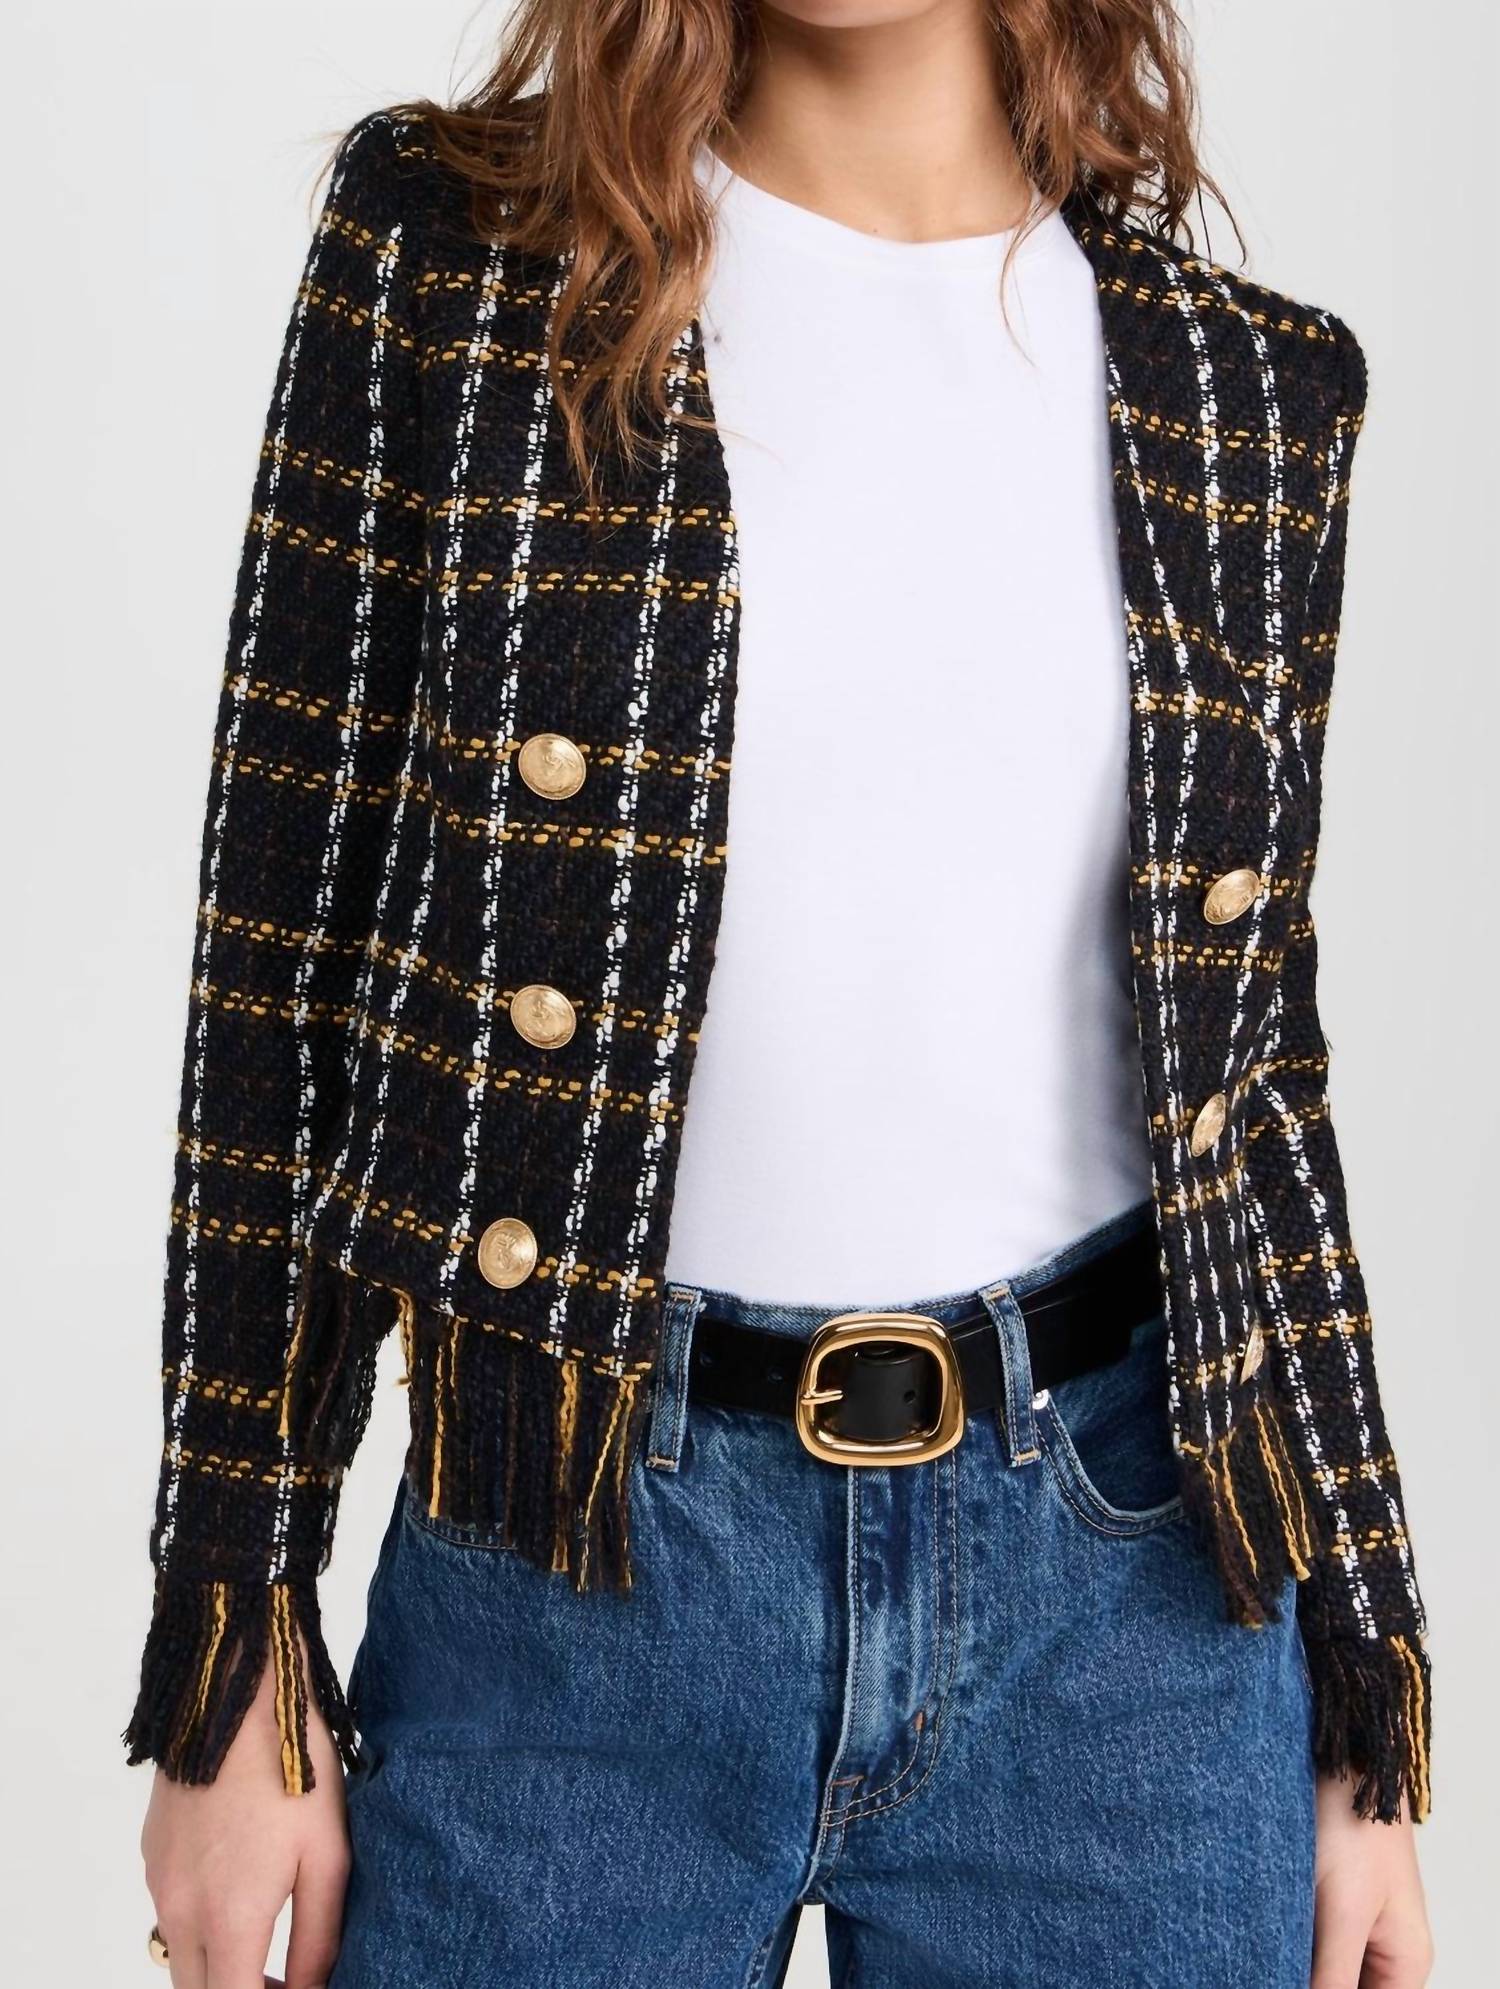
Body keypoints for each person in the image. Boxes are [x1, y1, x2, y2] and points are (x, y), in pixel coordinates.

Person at [131, 4, 1435, 1984]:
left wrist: (1361, 1679)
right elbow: (277, 972)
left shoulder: (1250, 390)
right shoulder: (456, 261)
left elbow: (1253, 1080)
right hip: (567, 1560)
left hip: (1133, 1617)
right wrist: (234, 1632)